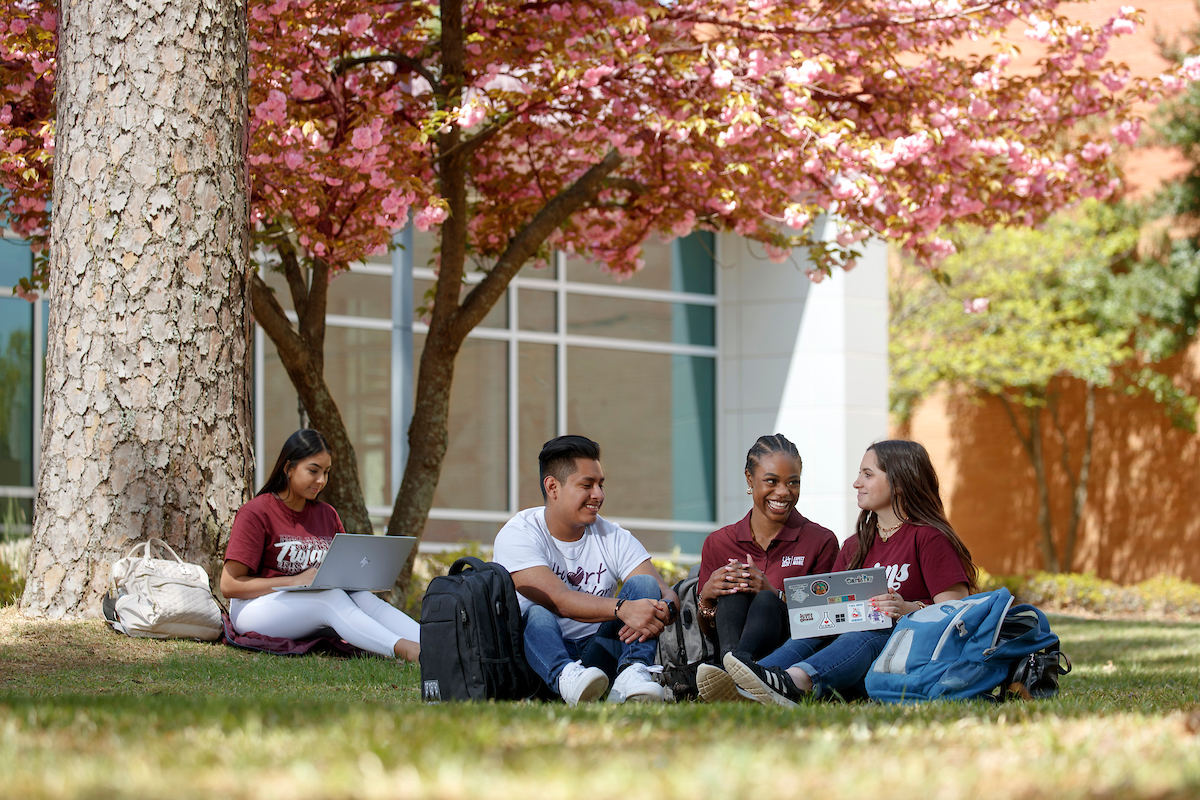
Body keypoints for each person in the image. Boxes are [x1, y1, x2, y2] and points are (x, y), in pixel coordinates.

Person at [724, 439, 978, 705]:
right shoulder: (854, 546)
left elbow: (957, 614)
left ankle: (796, 683)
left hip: (905, 659)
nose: (857, 483)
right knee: (818, 628)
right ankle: (747, 681)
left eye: (867, 475)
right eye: (859, 474)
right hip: (850, 664)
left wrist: (906, 608)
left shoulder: (929, 538)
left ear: (900, 482)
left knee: (873, 626)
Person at [493, 435, 681, 705]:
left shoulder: (611, 535)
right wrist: (623, 609)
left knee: (644, 586)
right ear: (552, 487)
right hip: (540, 658)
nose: (599, 495)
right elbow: (560, 601)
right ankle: (565, 678)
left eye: (601, 484)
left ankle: (631, 677)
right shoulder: (519, 534)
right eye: (587, 485)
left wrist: (663, 609)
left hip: (597, 656)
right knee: (536, 613)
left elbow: (664, 591)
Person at [220, 429, 421, 661]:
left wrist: (361, 579)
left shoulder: (327, 514)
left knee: (363, 598)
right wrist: (294, 582)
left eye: (326, 472)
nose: (321, 481)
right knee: (330, 597)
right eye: (313, 471)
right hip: (254, 609)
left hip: (312, 607)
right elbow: (230, 585)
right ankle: (405, 651)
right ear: (288, 468)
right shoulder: (256, 512)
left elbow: (343, 574)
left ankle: (435, 643)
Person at [693, 434, 839, 702]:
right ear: (749, 479)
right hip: (729, 642)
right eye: (771, 481)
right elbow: (708, 627)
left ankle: (736, 673)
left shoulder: (820, 540)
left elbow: (826, 622)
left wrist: (774, 593)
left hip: (787, 653)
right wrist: (708, 596)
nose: (783, 492)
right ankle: (740, 671)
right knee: (734, 593)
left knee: (763, 598)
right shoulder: (719, 542)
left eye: (793, 482)